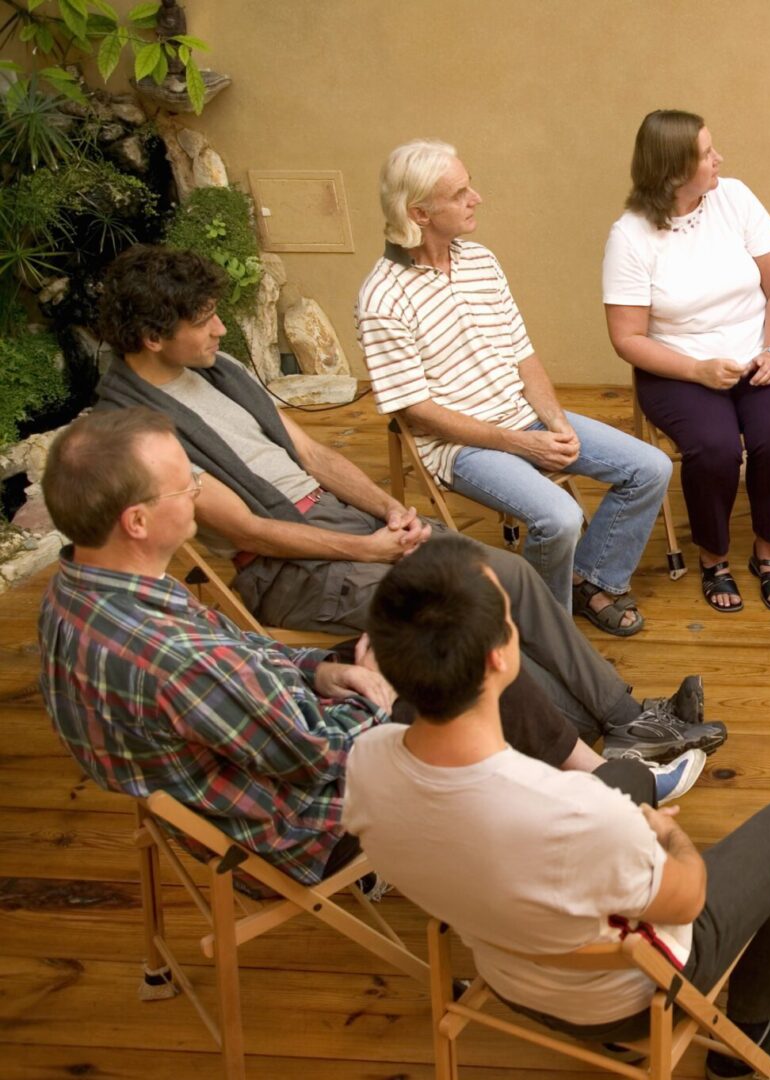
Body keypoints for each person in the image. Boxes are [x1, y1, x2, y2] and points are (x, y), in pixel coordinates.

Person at [94, 244, 720, 765]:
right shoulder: (137, 434)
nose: (221, 328)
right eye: (204, 319)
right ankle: (588, 749)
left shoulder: (220, 369)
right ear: (153, 336)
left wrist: (391, 512)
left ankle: (627, 720)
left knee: (512, 575)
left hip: (345, 524)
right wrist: (366, 547)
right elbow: (251, 527)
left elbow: (313, 456)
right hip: (287, 569)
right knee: (461, 615)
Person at [36, 411, 699, 894]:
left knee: (449, 660)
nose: (198, 499)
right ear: (138, 521)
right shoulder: (171, 654)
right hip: (299, 822)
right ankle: (595, 813)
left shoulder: (79, 589)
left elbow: (242, 658)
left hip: (234, 775)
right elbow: (313, 755)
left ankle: (589, 778)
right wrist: (374, 692)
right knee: (462, 673)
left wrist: (321, 668)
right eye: (186, 489)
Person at [345, 536, 770, 1080]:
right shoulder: (575, 812)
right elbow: (686, 900)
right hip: (621, 1002)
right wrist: (665, 838)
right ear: (501, 658)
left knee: (624, 774)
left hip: (506, 974)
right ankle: (760, 1024)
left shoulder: (364, 765)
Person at [358, 138, 673, 635]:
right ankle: (547, 628)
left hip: (523, 419)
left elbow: (524, 356)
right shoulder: (382, 296)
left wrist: (556, 423)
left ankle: (592, 580)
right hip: (459, 447)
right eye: (460, 193)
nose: (476, 197)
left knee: (650, 467)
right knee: (560, 516)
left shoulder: (480, 260)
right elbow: (415, 410)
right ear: (419, 213)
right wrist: (519, 442)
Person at [604, 111, 770, 613]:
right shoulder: (629, 237)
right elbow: (627, 338)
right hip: (679, 365)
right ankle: (714, 558)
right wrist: (696, 370)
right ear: (673, 170)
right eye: (707, 154)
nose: (720, 159)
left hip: (759, 349)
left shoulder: (735, 197)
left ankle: (768, 550)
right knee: (714, 449)